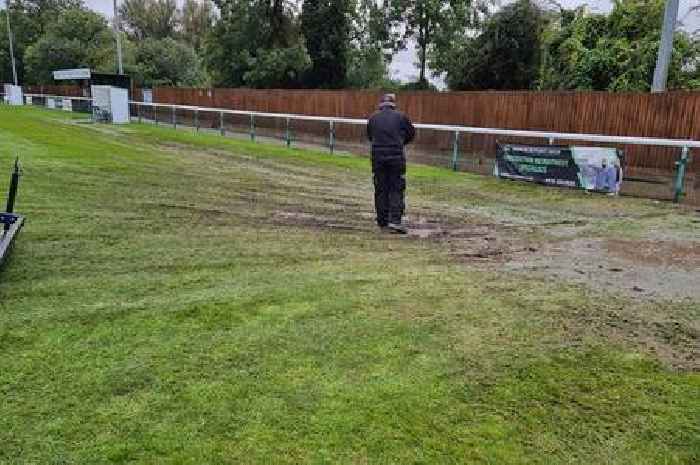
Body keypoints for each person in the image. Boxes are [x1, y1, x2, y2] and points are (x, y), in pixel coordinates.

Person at [366, 94, 416, 234]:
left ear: (381, 104)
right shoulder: (402, 117)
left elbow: (370, 136)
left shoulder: (373, 118)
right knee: (396, 188)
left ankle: (382, 220)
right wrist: (400, 142)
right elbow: (411, 134)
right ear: (393, 104)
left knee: (381, 188)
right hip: (396, 158)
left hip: (377, 157)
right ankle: (395, 220)